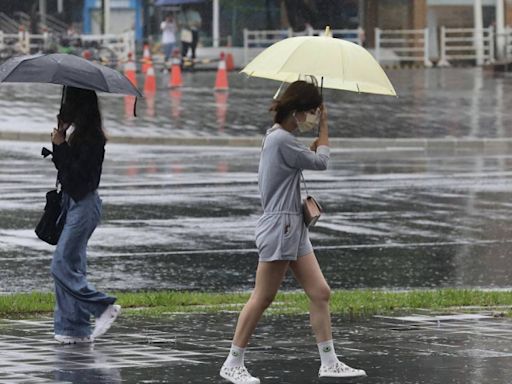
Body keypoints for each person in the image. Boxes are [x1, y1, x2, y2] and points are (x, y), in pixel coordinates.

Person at [219, 81, 366, 384]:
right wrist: (325, 126)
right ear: (297, 112)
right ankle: (233, 362)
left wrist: (308, 146)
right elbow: (322, 162)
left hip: (292, 226)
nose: (313, 117)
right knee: (263, 297)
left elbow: (300, 161)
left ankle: (329, 361)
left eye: (316, 113)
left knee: (320, 292)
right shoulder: (281, 140)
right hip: (280, 227)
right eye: (312, 112)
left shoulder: (279, 138)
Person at [50, 86, 121, 345]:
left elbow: (79, 181)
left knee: (60, 264)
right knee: (73, 266)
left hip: (84, 205)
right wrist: (60, 139)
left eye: (69, 103)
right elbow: (66, 172)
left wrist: (61, 146)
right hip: (73, 204)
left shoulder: (91, 139)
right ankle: (73, 328)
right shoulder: (78, 135)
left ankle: (102, 306)